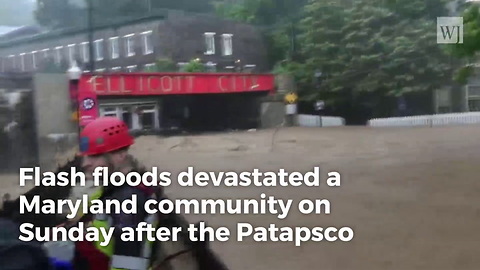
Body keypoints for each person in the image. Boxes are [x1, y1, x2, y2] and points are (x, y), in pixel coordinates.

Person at [73, 116, 159, 270]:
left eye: (95, 156)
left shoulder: (128, 199)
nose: (85, 164)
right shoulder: (111, 191)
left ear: (120, 155)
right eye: (85, 157)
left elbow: (128, 266)